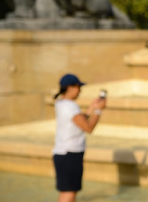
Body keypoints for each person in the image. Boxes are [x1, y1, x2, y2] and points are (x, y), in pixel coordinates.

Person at [52, 73, 106, 202]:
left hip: (64, 154)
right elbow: (88, 128)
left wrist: (91, 108)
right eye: (78, 87)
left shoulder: (61, 103)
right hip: (69, 154)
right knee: (69, 194)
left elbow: (78, 121)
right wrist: (98, 111)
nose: (80, 90)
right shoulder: (70, 106)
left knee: (67, 193)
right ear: (70, 88)